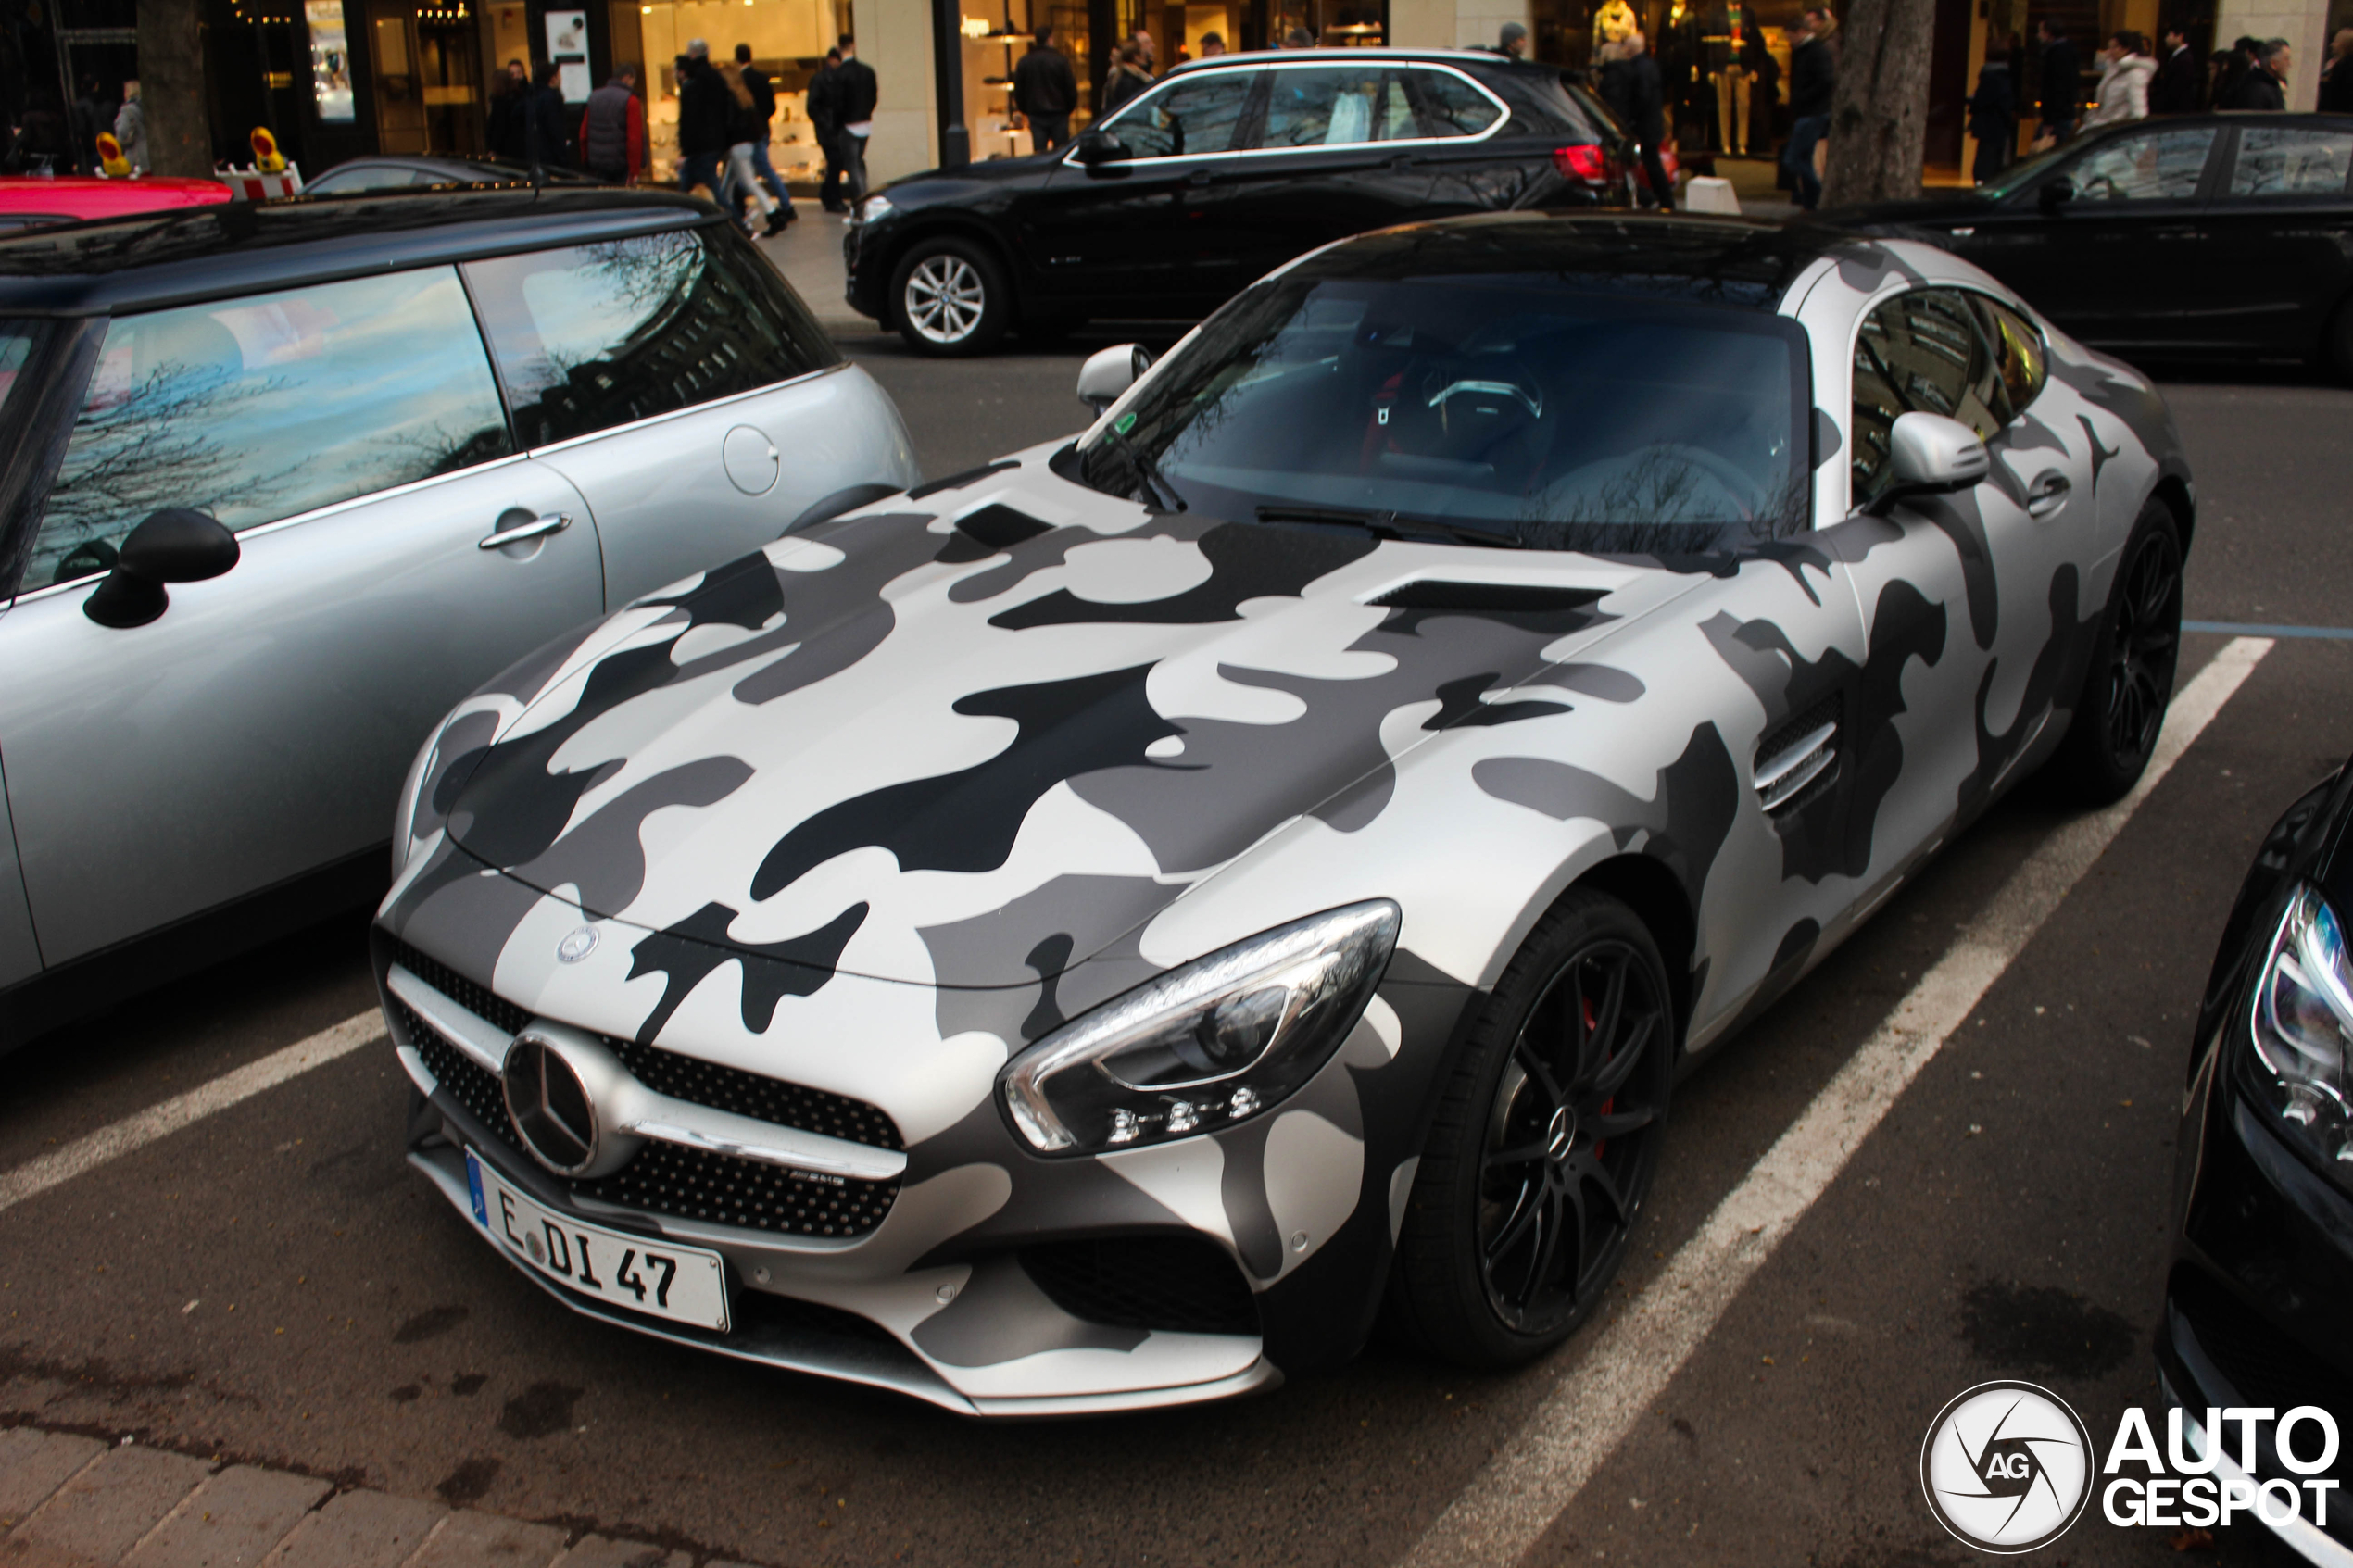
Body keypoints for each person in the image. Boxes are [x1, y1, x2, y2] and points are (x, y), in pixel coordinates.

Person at [717, 56, 785, 232]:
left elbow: (729, 124)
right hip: (747, 144)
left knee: (746, 183)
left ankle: (771, 214)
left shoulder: (729, 98)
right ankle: (734, 218)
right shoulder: (744, 96)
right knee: (730, 186)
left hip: (737, 146)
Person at [734, 44, 795, 225]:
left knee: (747, 172)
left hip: (746, 133)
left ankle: (744, 207)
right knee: (758, 169)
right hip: (762, 129)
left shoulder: (739, 81)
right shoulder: (761, 78)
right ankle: (784, 204)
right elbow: (771, 107)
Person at [1780, 7, 1832, 211]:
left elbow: (1825, 80)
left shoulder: (1815, 51)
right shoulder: (1806, 51)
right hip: (1810, 110)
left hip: (1813, 112)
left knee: (1794, 158)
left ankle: (1817, 195)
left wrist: (1802, 98)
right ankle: (1811, 202)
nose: (1789, 41)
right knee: (1803, 158)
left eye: (1790, 37)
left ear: (1799, 32)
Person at [675, 40, 732, 201]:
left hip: (699, 145)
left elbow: (689, 118)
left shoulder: (693, 81)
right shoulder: (716, 78)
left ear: (692, 54)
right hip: (715, 141)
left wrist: (685, 149)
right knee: (706, 185)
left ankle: (735, 222)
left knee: (705, 187)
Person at [830, 33, 878, 220]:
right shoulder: (867, 71)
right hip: (865, 122)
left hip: (848, 125)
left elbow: (837, 104)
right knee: (858, 163)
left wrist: (836, 127)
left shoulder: (839, 74)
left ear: (840, 49)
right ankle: (863, 205)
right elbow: (873, 97)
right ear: (854, 45)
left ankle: (860, 210)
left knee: (853, 167)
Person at [1012, 24, 1077, 152]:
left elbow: (1019, 90)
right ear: (1050, 39)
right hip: (1059, 112)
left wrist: (1025, 109)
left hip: (1036, 113)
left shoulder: (1025, 61)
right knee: (1061, 151)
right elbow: (1070, 87)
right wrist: (1068, 108)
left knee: (1040, 152)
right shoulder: (1060, 60)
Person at [579, 67, 647, 184]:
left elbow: (583, 133)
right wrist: (634, 171)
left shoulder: (594, 97)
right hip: (621, 165)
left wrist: (586, 159)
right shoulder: (630, 100)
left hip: (598, 164)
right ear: (627, 78)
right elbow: (634, 139)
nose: (633, 84)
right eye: (633, 81)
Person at [1967, 39, 2016, 184]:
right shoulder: (2002, 77)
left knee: (1985, 159)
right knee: (1992, 162)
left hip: (1987, 126)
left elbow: (1981, 100)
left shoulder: (1988, 75)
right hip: (1997, 126)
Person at [2082, 31, 2152, 126]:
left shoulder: (2135, 74)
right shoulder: (2112, 69)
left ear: (2125, 49)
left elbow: (2138, 109)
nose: (2109, 51)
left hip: (2117, 127)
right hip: (2102, 124)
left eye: (2113, 47)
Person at [808, 48, 845, 212]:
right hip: (828, 129)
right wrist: (826, 123)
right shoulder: (821, 79)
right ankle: (833, 198)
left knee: (836, 163)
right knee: (835, 162)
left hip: (834, 127)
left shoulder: (835, 78)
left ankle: (828, 194)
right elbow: (812, 107)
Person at [2034, 20, 2081, 146]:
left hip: (2057, 116)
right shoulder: (2066, 51)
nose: (2038, 35)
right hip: (2063, 114)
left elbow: (2055, 88)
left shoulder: (2056, 55)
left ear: (2048, 34)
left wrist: (2049, 120)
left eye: (2040, 31)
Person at [522, 60, 574, 169]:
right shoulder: (550, 98)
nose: (560, 79)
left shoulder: (532, 95)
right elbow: (555, 130)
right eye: (558, 75)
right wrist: (563, 158)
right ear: (552, 78)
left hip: (536, 155)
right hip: (550, 158)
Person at [2222, 37, 2290, 107]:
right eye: (2286, 59)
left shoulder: (2272, 86)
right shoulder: (2257, 90)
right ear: (2273, 64)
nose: (2290, 64)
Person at [2150, 27, 2202, 113]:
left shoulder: (2185, 58)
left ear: (2180, 37)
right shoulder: (2176, 56)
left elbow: (2178, 87)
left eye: (2169, 36)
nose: (2166, 39)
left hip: (2176, 109)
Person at [487, 58, 530, 160]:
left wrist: (493, 148)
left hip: (508, 148)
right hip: (517, 147)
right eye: (512, 74)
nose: (515, 77)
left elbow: (499, 126)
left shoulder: (504, 101)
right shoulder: (514, 97)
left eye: (518, 73)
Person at [1101, 39, 1154, 115]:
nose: (1145, 58)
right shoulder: (1130, 81)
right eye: (1143, 54)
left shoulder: (1120, 76)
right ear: (1136, 57)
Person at [69, 76, 108, 175]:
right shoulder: (105, 103)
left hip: (93, 146)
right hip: (106, 143)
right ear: (96, 86)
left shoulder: (81, 106)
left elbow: (82, 128)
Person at [112, 80, 147, 173]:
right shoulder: (147, 106)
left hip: (135, 157)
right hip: (149, 155)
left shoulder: (127, 110)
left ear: (128, 92)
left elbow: (122, 133)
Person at [2318, 27, 2353, 111]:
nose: (2332, 45)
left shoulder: (2343, 66)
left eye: (2336, 42)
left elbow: (2333, 92)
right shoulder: (2340, 64)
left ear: (2344, 45)